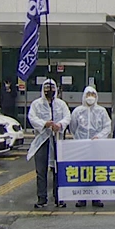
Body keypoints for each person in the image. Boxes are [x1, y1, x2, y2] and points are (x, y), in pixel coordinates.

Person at [28, 79, 70, 210]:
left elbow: (67, 117)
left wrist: (60, 125)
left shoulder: (61, 104)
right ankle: (42, 198)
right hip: (42, 139)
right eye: (46, 88)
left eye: (51, 88)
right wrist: (44, 124)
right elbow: (32, 117)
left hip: (56, 139)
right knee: (41, 170)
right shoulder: (36, 104)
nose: (49, 91)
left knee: (57, 169)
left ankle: (59, 197)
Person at [68, 86, 110, 208]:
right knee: (83, 171)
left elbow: (107, 126)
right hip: (82, 146)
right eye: (88, 94)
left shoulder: (101, 111)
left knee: (96, 170)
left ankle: (96, 197)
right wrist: (78, 139)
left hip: (97, 145)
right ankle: (82, 198)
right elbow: (73, 127)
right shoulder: (77, 111)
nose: (90, 97)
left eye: (93, 94)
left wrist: (99, 137)